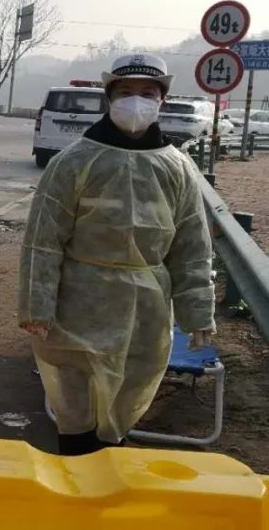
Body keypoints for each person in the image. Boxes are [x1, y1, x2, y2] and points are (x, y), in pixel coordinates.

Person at [19, 54, 215, 456]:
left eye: (148, 93)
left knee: (127, 394)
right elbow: (44, 239)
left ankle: (108, 482)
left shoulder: (177, 167)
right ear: (108, 98)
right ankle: (74, 475)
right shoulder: (74, 162)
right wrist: (36, 306)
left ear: (162, 99)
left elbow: (192, 245)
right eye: (125, 92)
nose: (136, 101)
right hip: (79, 300)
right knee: (76, 401)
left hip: (146, 307)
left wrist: (198, 312)